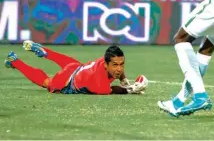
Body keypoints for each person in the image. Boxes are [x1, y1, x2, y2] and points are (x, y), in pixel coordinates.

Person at [4, 40, 149, 95]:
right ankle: (15, 61)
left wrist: (125, 81)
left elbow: (118, 66)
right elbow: (113, 90)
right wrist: (130, 90)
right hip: (66, 82)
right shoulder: (100, 85)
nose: (119, 69)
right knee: (46, 82)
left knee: (71, 64)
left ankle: (46, 52)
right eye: (115, 65)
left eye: (121, 64)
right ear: (106, 64)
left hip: (76, 67)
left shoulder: (104, 60)